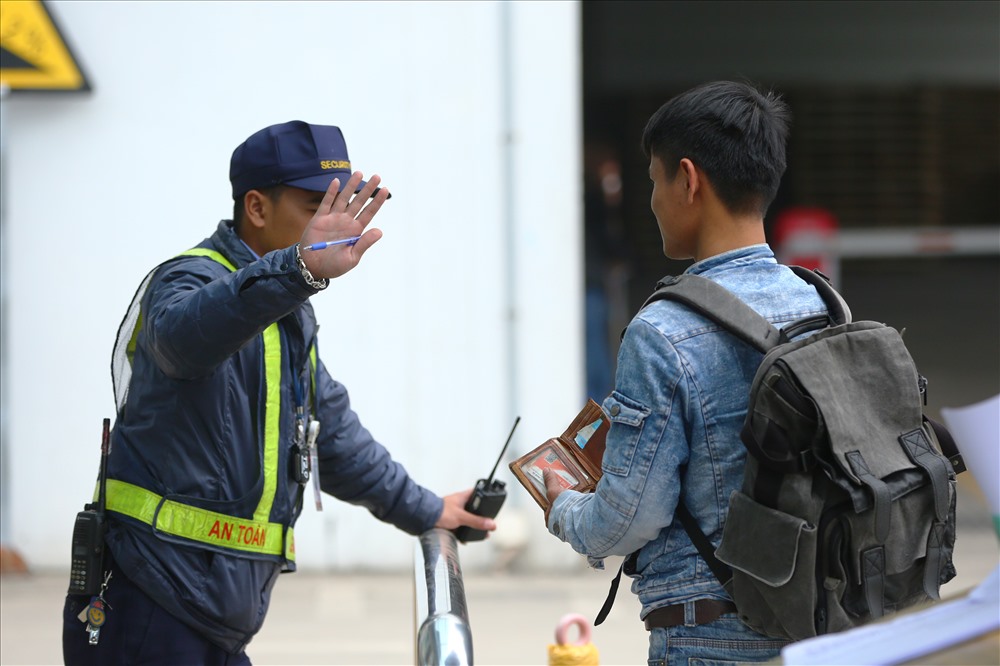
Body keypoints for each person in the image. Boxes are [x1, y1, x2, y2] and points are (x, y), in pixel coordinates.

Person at [62, 120, 496, 665]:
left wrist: (428, 509)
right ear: (257, 208)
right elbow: (181, 342)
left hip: (214, 619)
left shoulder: (288, 312)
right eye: (316, 206)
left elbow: (334, 438)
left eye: (341, 206)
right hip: (148, 604)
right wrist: (298, 270)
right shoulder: (190, 280)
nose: (334, 225)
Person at [542, 81, 827, 664]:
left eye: (653, 180)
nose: (651, 201)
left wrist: (563, 505)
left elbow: (627, 519)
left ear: (689, 180)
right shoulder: (818, 302)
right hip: (819, 621)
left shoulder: (665, 331)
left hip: (711, 635)